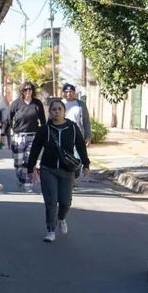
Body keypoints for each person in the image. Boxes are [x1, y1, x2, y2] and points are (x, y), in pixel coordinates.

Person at [26, 99, 90, 242]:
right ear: (50, 112)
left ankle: (61, 218)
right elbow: (35, 148)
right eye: (53, 109)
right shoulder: (44, 129)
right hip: (48, 169)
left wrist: (86, 164)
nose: (56, 112)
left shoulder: (72, 127)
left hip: (67, 170)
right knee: (51, 201)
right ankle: (50, 230)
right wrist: (30, 167)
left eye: (59, 109)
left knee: (66, 201)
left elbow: (80, 146)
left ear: (64, 111)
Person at [9, 82, 46, 191]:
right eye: (25, 89)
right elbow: (8, 118)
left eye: (30, 89)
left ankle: (27, 183)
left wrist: (44, 134)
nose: (28, 91)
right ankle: (21, 178)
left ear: (33, 90)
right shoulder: (16, 103)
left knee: (28, 161)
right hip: (18, 136)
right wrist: (3, 133)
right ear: (22, 91)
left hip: (33, 136)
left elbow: (43, 120)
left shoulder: (37, 103)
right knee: (18, 163)